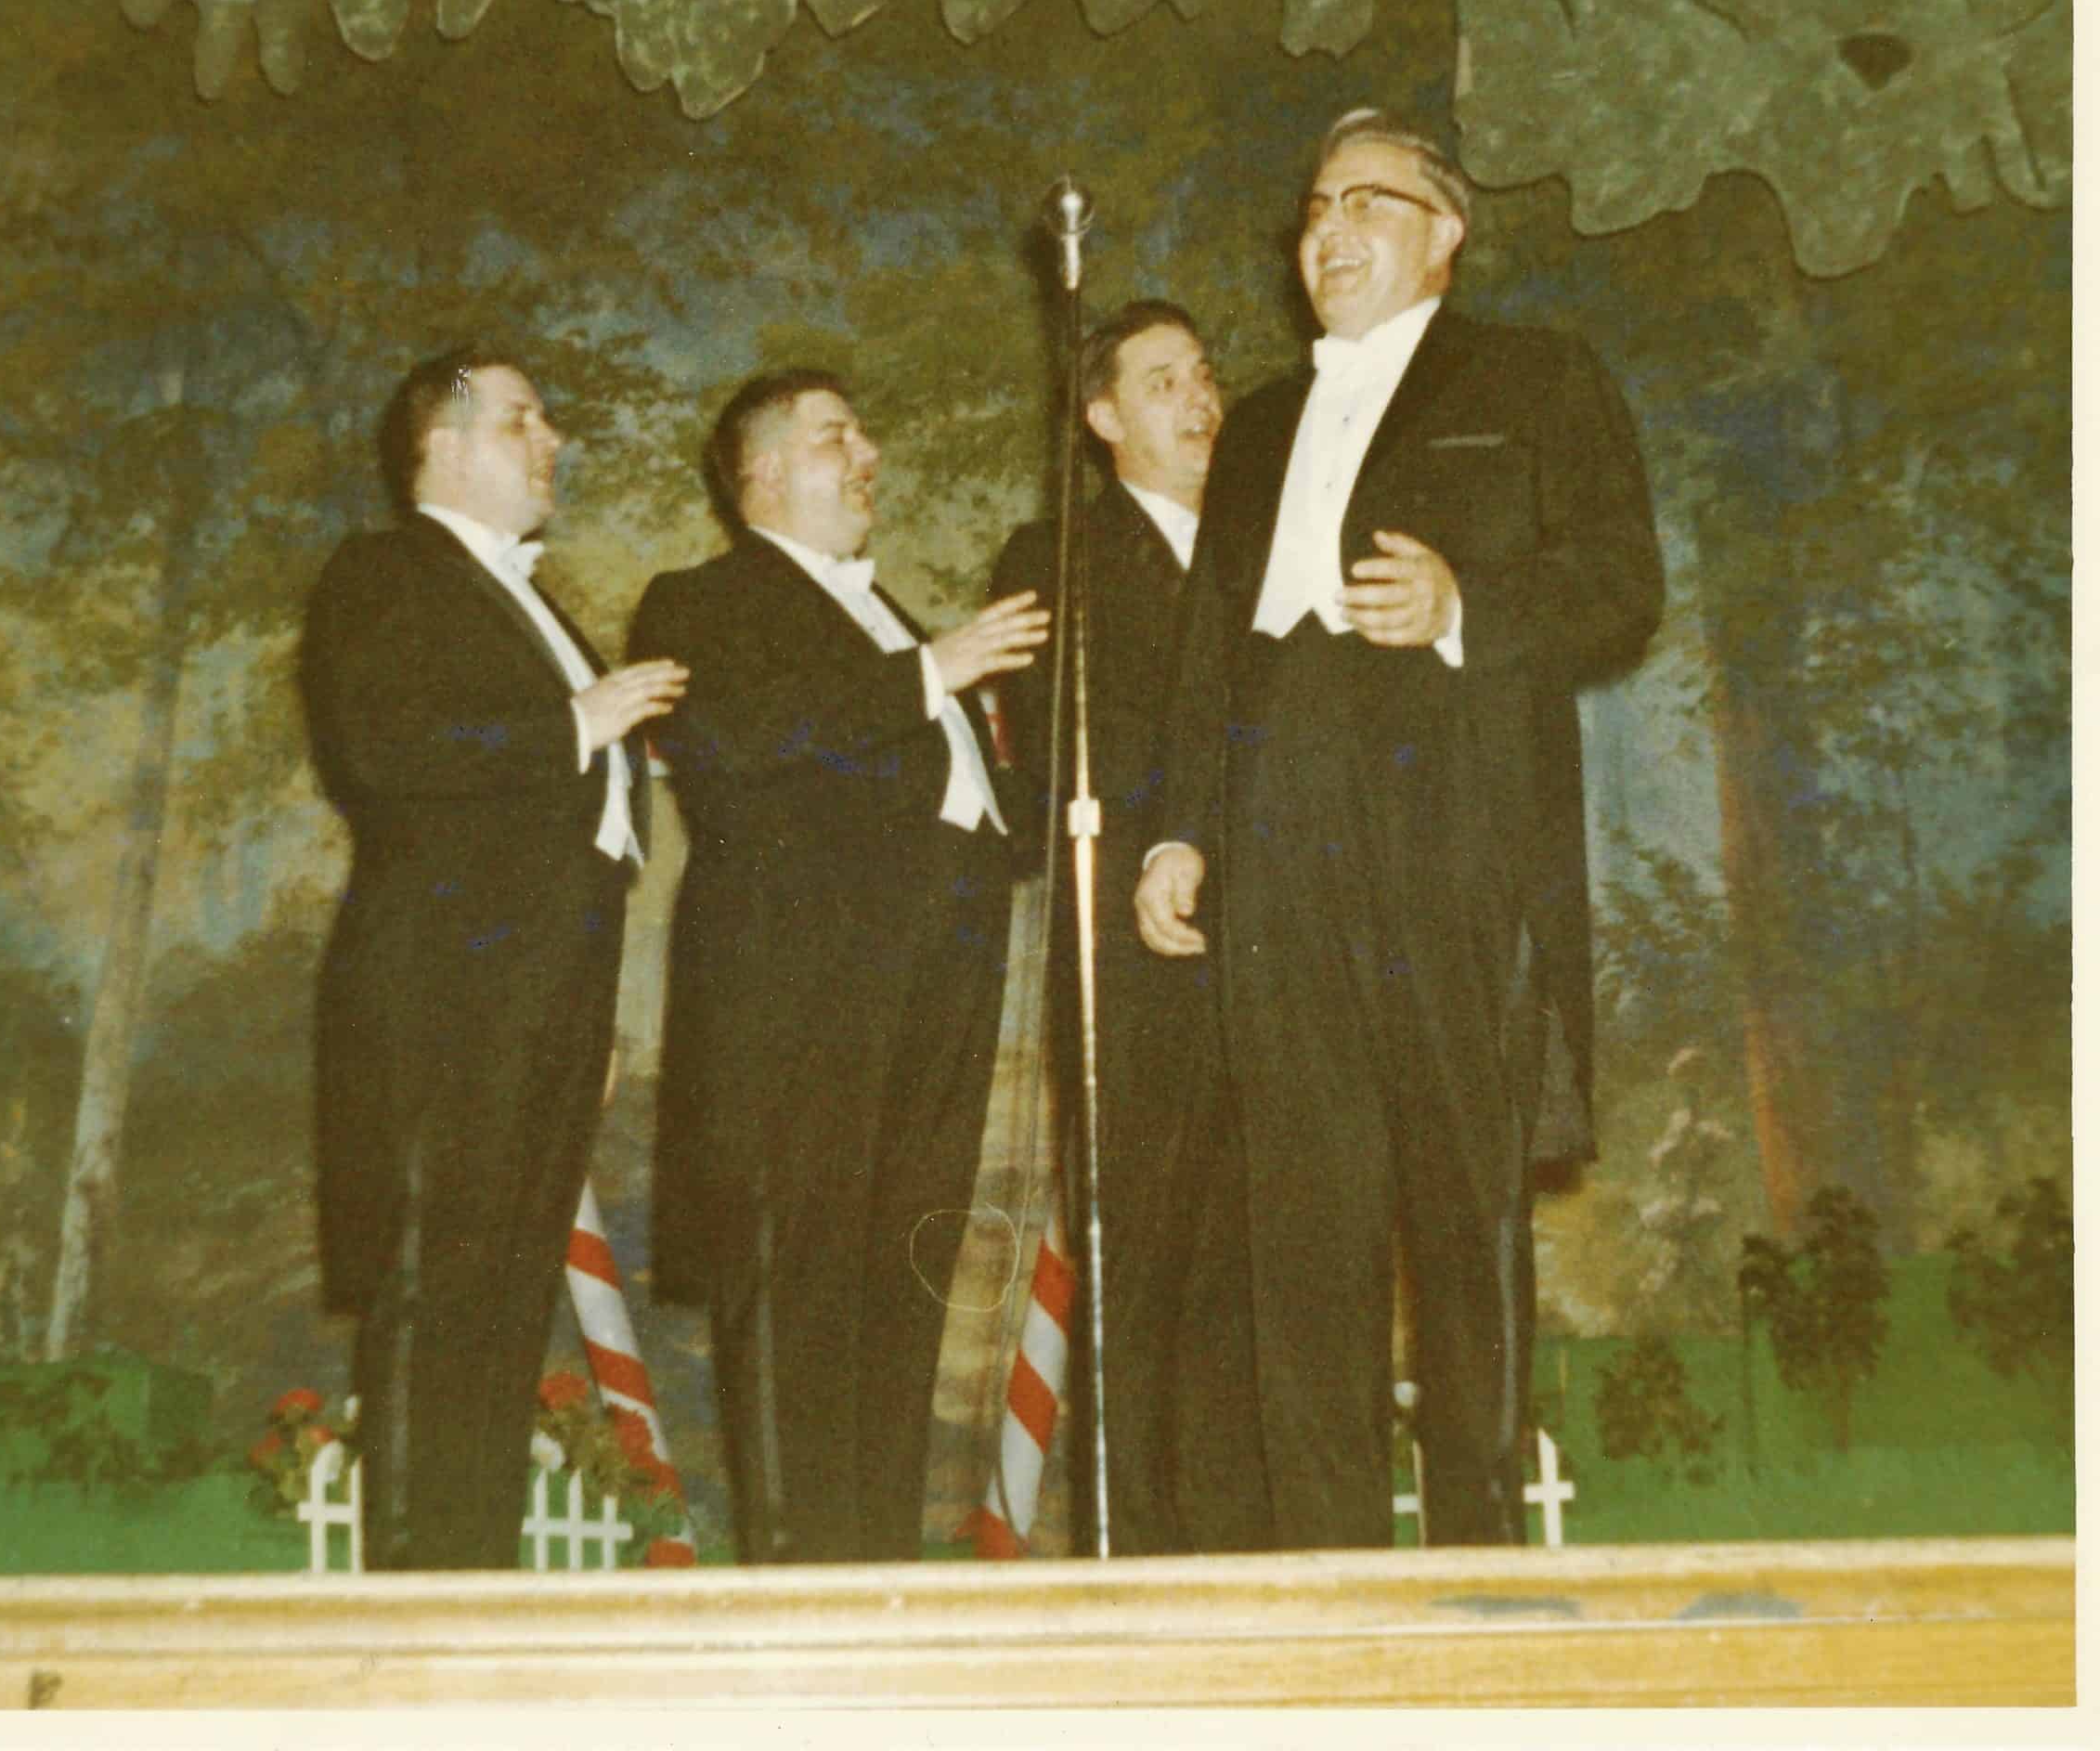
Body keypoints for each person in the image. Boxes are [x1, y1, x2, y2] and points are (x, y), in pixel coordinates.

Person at [1135, 109, 1663, 1549]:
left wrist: (1465, 611)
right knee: (1302, 1222)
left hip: (1454, 842)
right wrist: (1180, 831)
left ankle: (1480, 1557)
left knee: (1460, 1202)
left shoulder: (1536, 377)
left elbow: (1624, 583)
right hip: (1275, 843)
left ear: (1448, 230)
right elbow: (1204, 657)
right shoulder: (1251, 431)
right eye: (1314, 206)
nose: (1330, 229)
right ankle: (1330, 1570)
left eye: (1370, 200)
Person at [631, 370, 1050, 1563]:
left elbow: (971, 797)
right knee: (801, 1297)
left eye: (866, 430)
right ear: (760, 474)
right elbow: (731, 737)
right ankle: (800, 1603)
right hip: (797, 1012)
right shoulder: (698, 598)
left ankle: (880, 1592)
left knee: (899, 1300)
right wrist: (936, 669)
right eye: (834, 435)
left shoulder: (895, 617)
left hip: (935, 995)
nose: (868, 451)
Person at [299, 347, 687, 1569]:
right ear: (445, 445)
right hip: (439, 1000)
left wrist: (591, 1016)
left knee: (505, 1308)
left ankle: (472, 1605)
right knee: (432, 1287)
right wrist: (579, 720)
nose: (551, 437)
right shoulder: (382, 573)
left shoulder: (531, 602)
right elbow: (382, 745)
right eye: (522, 419)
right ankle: (418, 1624)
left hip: (539, 1011)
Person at [986, 300, 1255, 1555]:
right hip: (1142, 966)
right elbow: (1059, 756)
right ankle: (1150, 1563)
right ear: (1101, 419)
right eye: (1162, 382)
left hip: (1287, 960)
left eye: (1203, 373)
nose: (1200, 398)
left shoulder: (1270, 547)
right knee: (1152, 1265)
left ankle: (1266, 1562)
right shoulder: (1059, 558)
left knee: (1265, 1270)